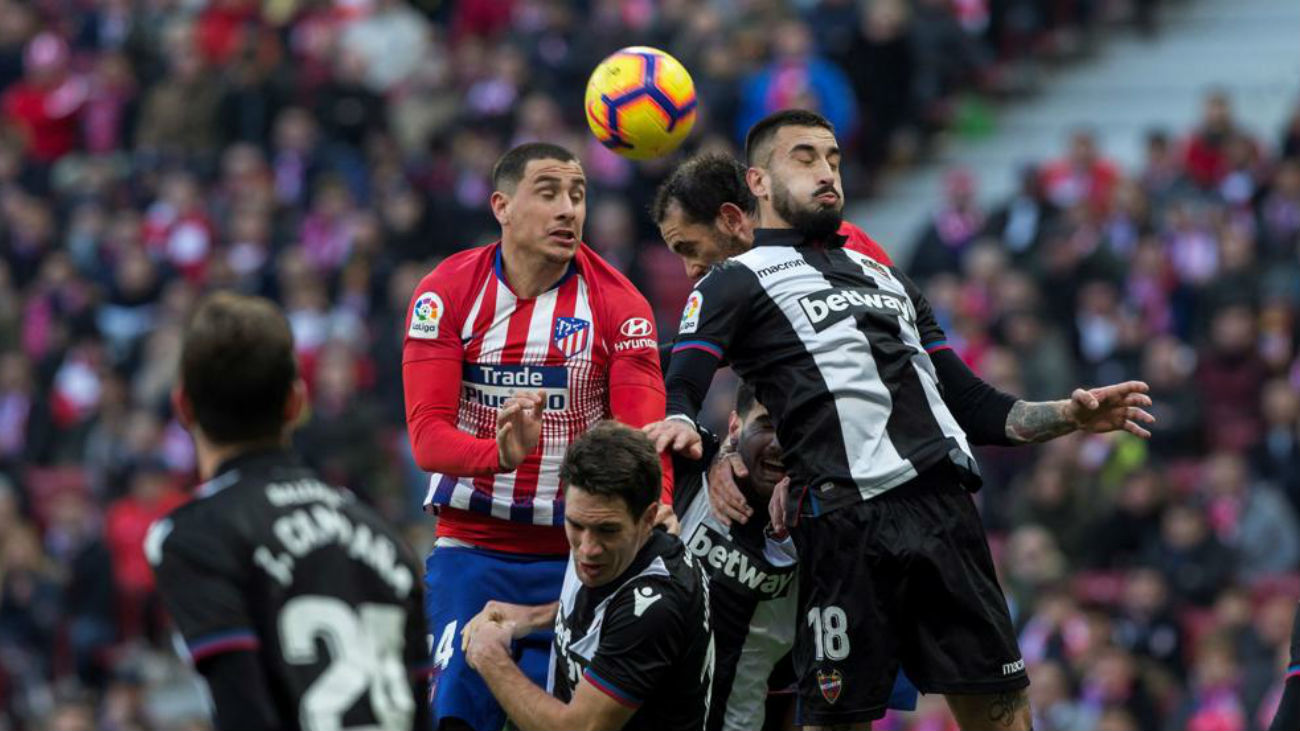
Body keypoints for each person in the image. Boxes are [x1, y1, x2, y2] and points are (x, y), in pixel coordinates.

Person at [646, 109, 1156, 730]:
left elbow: (971, 405)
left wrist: (1068, 415)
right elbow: (686, 374)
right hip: (843, 522)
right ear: (756, 182)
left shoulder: (887, 276)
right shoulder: (732, 279)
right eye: (804, 157)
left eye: (833, 158)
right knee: (837, 720)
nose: (826, 170)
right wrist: (686, 425)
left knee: (1005, 715)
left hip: (947, 514)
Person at [402, 142, 671, 731]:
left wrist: (664, 502)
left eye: (577, 195)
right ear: (502, 205)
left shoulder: (620, 303)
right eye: (548, 193)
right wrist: (497, 454)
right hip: (472, 550)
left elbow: (643, 437)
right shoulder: (445, 292)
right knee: (456, 717)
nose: (568, 210)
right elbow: (427, 438)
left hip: (581, 557)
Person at [147, 292, 430, 731]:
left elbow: (244, 708)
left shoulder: (192, 535)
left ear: (183, 406)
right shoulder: (384, 537)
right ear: (296, 404)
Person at [673, 381, 917, 731]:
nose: (780, 444)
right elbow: (635, 367)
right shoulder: (689, 459)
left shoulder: (839, 517)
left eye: (796, 428)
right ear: (734, 427)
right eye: (767, 425)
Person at [460, 421, 712, 731]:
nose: (588, 549)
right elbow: (603, 613)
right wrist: (532, 617)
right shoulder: (614, 547)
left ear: (648, 518)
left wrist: (490, 657)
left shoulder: (655, 605)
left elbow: (578, 728)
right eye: (576, 525)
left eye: (607, 530)